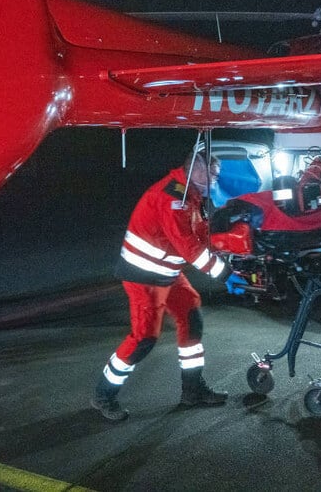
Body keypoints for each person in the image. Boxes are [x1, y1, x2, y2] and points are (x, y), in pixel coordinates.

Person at [91, 152, 250, 421]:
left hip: (166, 271)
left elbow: (198, 235)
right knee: (143, 339)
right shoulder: (173, 198)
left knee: (192, 317)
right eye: (212, 174)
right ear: (195, 171)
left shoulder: (190, 195)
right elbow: (189, 247)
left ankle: (192, 391)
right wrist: (225, 274)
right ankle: (103, 395)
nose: (215, 180)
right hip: (143, 276)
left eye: (216, 175)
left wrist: (224, 232)